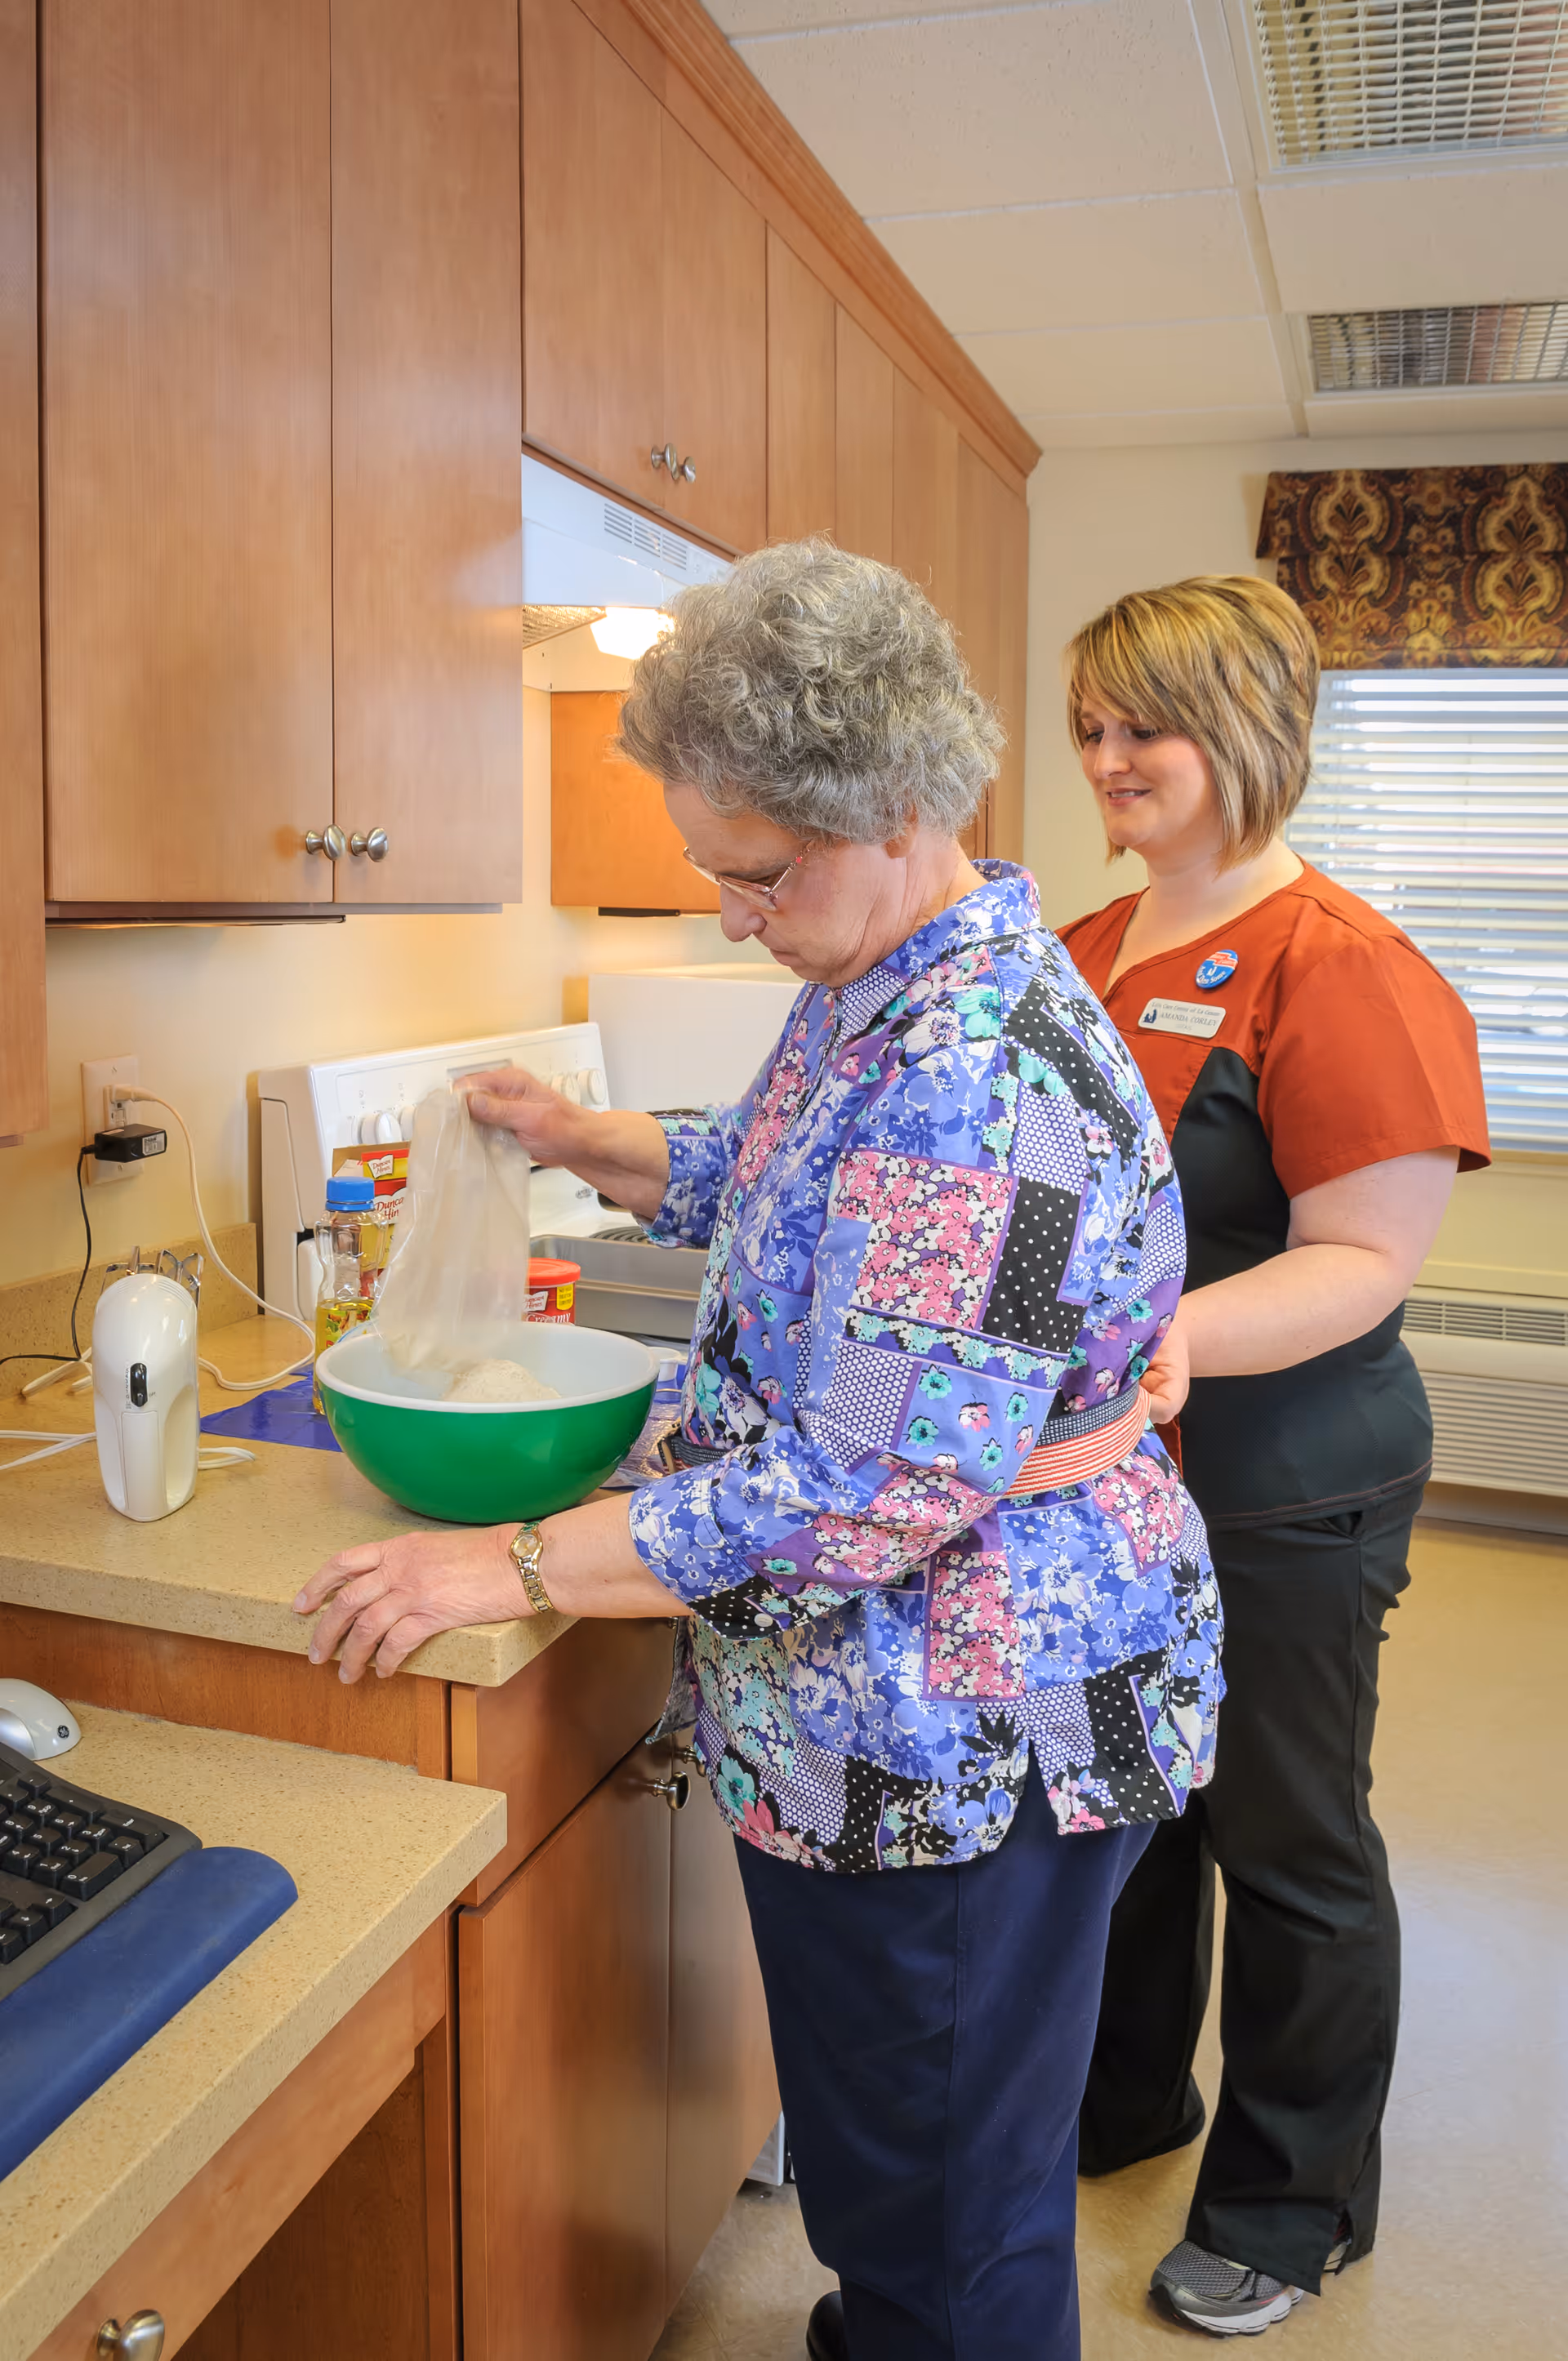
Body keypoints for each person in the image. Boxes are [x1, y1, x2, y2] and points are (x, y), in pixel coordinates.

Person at [294, 541, 1223, 2361]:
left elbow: (864, 1485)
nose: (733, 909)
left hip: (964, 1733)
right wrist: (582, 1131)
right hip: (920, 1706)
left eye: (756, 872)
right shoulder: (881, 977)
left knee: (950, 2219)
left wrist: (517, 1560)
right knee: (912, 2175)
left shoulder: (973, 1072)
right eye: (714, 869)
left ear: (891, 803)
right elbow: (767, 1175)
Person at [1056, 575, 1490, 2337]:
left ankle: (1293, 2201)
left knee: (1286, 1835)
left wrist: (1170, 1344)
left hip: (1284, 1476)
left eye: (1139, 725)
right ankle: (1124, 2096)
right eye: (1089, 726)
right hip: (1114, 1480)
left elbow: (1361, 1260)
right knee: (1136, 1810)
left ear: (1244, 727)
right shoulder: (1089, 948)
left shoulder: (1347, 966)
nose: (1106, 759)